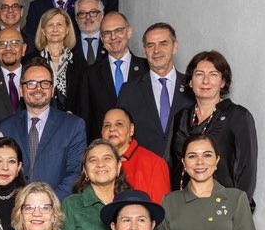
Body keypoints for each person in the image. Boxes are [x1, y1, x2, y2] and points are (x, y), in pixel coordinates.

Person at [169, 51, 258, 210]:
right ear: (190, 81)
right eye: (199, 74)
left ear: (223, 82)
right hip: (183, 207)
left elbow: (246, 171)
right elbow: (174, 164)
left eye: (213, 74)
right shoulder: (181, 116)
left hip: (221, 209)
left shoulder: (238, 116)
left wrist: (238, 213)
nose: (205, 81)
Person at [0, 61, 86, 201]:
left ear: (52, 90)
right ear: (21, 90)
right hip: (14, 208)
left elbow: (75, 173)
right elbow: (0, 170)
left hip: (57, 209)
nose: (38, 88)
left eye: (44, 83)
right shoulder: (5, 127)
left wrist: (49, 204)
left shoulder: (73, 125)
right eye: (31, 83)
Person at [116, 22, 195, 158]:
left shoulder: (192, 88)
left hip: (184, 172)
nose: (156, 50)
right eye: (150, 45)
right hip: (143, 171)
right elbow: (119, 134)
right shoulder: (129, 90)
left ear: (175, 47)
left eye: (163, 44)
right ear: (145, 50)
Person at [77, 12, 149, 142]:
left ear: (129, 32)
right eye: (107, 33)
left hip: (142, 150)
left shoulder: (147, 69)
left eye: (119, 30)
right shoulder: (89, 75)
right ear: (101, 38)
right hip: (104, 153)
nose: (113, 37)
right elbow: (85, 120)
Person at [61, 139, 131, 230]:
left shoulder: (133, 203)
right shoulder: (72, 205)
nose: (100, 164)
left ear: (118, 166)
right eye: (93, 160)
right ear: (85, 171)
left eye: (107, 158)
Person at [101, 108, 170, 203]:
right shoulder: (96, 165)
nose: (112, 129)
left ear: (131, 129)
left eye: (119, 124)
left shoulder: (154, 163)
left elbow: (161, 210)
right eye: (107, 125)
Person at [31, 7, 82, 114]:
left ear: (67, 29)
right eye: (50, 25)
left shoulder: (79, 62)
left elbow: (84, 99)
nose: (55, 29)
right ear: (43, 30)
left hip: (71, 123)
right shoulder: (31, 60)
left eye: (59, 25)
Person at [73, 0, 106, 66]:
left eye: (93, 12)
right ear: (76, 19)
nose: (88, 17)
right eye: (82, 13)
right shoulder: (69, 45)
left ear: (102, 16)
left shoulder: (112, 42)